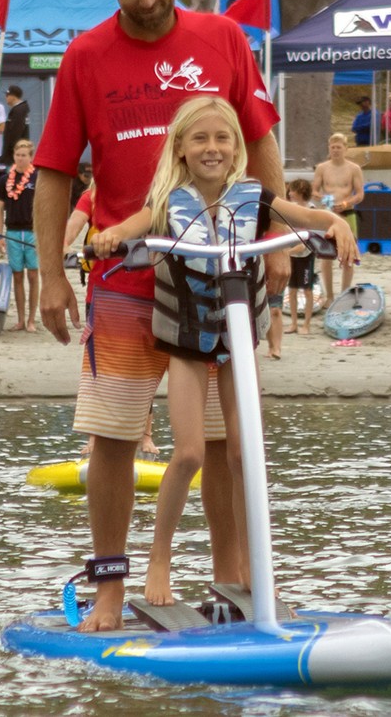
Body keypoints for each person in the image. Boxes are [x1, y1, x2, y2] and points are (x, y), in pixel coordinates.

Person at [34, 0, 288, 632]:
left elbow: (262, 145)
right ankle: (112, 587)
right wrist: (52, 276)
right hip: (123, 277)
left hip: (216, 273)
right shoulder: (85, 56)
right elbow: (54, 173)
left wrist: (274, 245)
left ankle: (236, 579)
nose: (145, 2)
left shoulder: (223, 39)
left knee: (221, 441)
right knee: (113, 435)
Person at [88, 96, 353, 606]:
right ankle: (159, 560)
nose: (212, 148)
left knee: (242, 451)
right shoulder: (168, 200)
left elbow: (308, 215)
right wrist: (111, 238)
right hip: (188, 342)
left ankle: (255, 566)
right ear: (182, 149)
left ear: (236, 150)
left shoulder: (254, 196)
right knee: (188, 452)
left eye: (222, 139)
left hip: (239, 339)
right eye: (200, 139)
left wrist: (336, 224)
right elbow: (133, 226)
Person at [0, 139, 40, 333]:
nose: (20, 159)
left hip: (32, 233)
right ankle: (21, 319)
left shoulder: (37, 178)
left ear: (31, 157)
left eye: (24, 155)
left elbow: (45, 208)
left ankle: (31, 320)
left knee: (33, 275)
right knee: (18, 276)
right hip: (12, 232)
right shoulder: (5, 180)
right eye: (17, 155)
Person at [312, 133, 364, 302]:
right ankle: (329, 296)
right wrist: (324, 199)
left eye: (338, 147)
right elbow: (314, 191)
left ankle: (344, 294)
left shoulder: (354, 169)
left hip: (347, 213)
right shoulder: (322, 168)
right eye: (332, 147)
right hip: (328, 214)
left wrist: (346, 203)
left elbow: (360, 194)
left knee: (348, 255)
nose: (335, 150)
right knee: (326, 256)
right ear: (329, 148)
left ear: (345, 149)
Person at [283, 179, 317, 335]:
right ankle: (294, 323)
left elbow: (304, 244)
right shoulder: (292, 209)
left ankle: (307, 324)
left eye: (292, 191)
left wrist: (286, 252)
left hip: (305, 255)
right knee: (292, 290)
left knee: (307, 290)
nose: (289, 193)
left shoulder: (311, 210)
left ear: (300, 192)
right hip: (293, 254)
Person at [2, 86, 31, 163]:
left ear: (13, 96)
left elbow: (16, 132)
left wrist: (12, 150)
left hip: (15, 153)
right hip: (17, 150)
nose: (6, 97)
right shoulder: (19, 110)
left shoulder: (19, 111)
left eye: (7, 95)